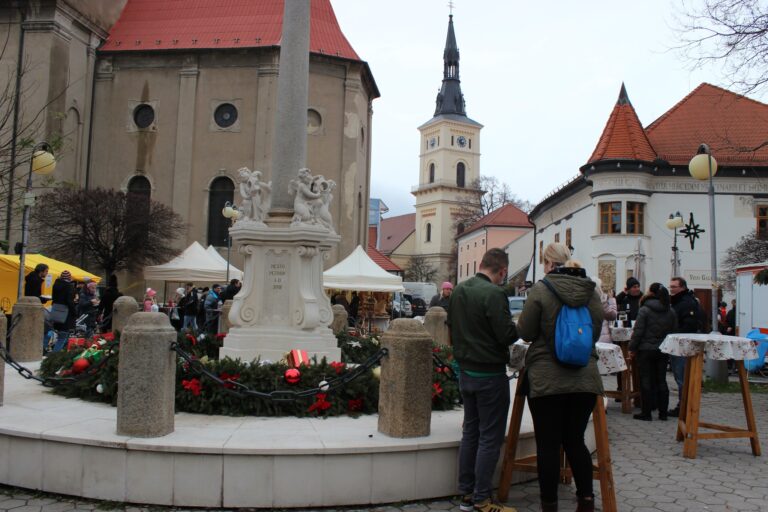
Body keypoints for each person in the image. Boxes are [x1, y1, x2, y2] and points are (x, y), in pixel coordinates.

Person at [517, 243, 603, 512]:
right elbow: (595, 334)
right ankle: (586, 501)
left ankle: (549, 505)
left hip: (547, 378)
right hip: (584, 378)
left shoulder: (541, 289)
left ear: (547, 262)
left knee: (548, 445)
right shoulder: (591, 291)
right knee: (575, 440)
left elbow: (527, 332)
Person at [447, 248, 518, 512]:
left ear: (480, 264)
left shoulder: (458, 290)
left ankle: (465, 492)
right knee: (490, 437)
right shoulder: (495, 293)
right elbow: (506, 335)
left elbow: (451, 327)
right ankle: (482, 499)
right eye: (504, 275)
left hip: (466, 371)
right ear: (502, 271)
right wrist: (520, 327)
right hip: (490, 374)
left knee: (471, 432)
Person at [628, 283, 678, 421]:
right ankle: (663, 413)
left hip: (645, 349)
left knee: (646, 379)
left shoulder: (644, 309)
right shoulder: (671, 310)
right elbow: (674, 331)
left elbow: (638, 332)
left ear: (651, 293)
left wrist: (632, 348)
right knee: (661, 380)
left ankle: (646, 412)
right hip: (662, 349)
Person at [668, 277, 705, 417]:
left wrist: (675, 334)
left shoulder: (686, 302)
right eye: (670, 286)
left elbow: (689, 325)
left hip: (682, 344)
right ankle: (684, 405)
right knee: (680, 376)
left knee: (682, 376)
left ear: (682, 287)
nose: (671, 289)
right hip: (678, 343)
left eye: (674, 287)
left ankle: (684, 407)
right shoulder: (680, 301)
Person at [51, 270, 76, 352]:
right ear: (69, 278)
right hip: (66, 314)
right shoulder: (69, 286)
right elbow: (69, 301)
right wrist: (74, 311)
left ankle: (56, 353)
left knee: (59, 334)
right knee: (63, 337)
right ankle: (54, 356)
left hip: (56, 311)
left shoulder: (56, 285)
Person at [594, 278, 617, 343]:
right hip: (602, 338)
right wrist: (611, 299)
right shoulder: (601, 301)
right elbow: (612, 315)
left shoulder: (587, 299)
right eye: (601, 286)